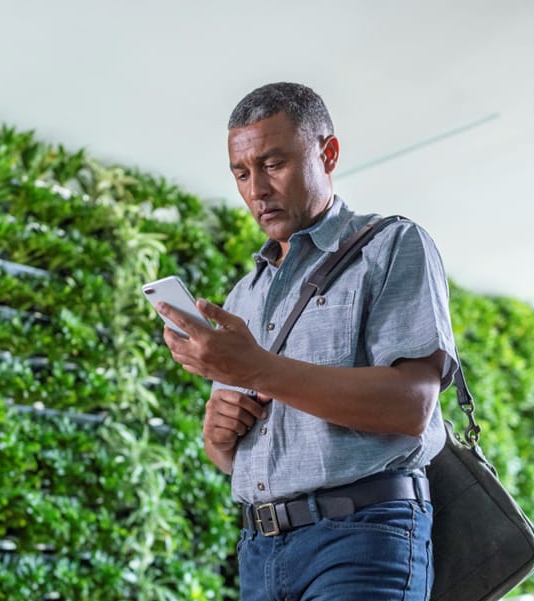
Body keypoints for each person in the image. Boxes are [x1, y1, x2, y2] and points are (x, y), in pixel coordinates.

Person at [156, 82, 457, 600]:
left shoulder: (390, 246)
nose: (257, 190)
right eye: (242, 173)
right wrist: (218, 437)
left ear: (328, 153)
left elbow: (412, 407)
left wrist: (255, 369)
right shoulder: (244, 293)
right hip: (259, 547)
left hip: (363, 538)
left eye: (274, 164)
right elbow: (238, 457)